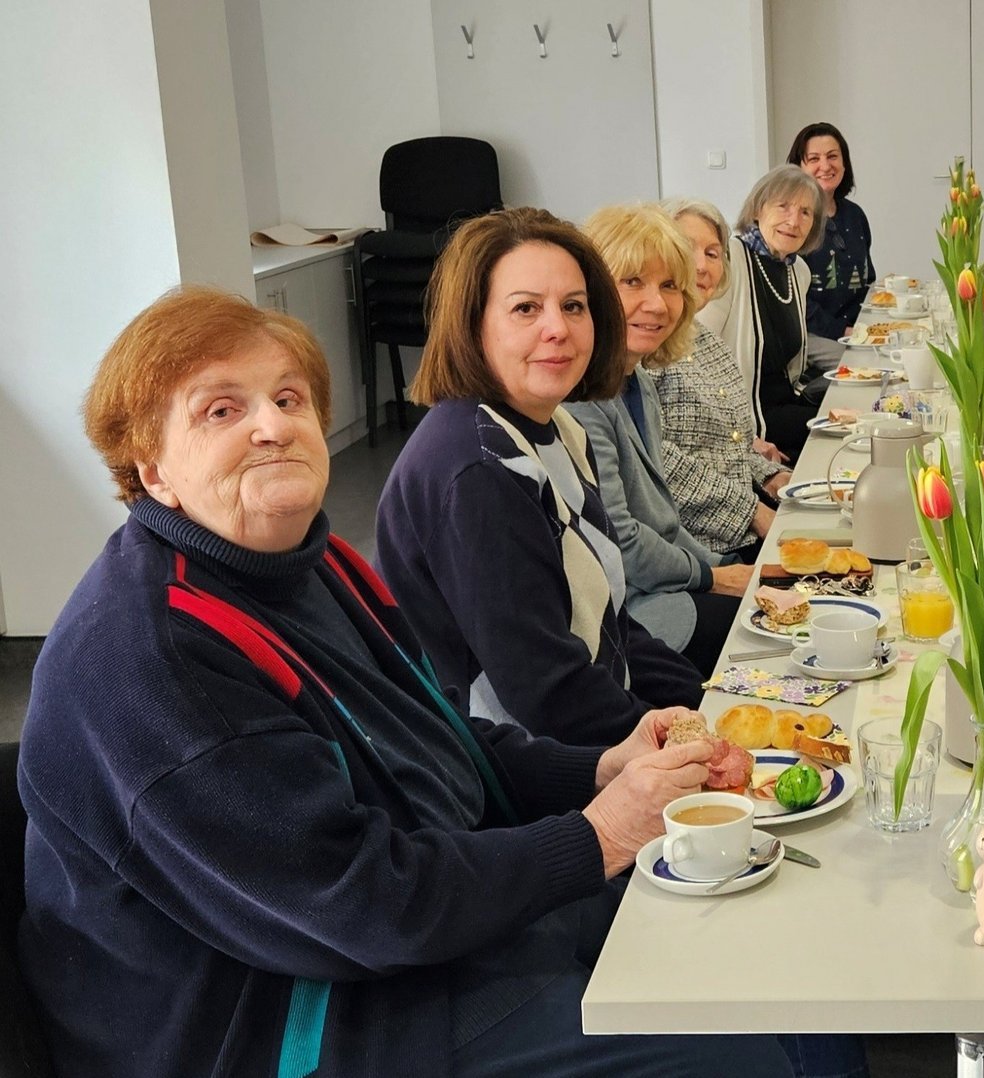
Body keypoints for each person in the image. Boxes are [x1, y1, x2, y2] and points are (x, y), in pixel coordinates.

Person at [20, 285, 796, 1077]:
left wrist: (601, 770)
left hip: (403, 921)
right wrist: (603, 835)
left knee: (729, 930)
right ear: (151, 468)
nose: (273, 426)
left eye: (288, 398)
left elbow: (439, 741)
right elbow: (357, 904)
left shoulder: (309, 563)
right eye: (222, 410)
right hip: (292, 1016)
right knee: (735, 1057)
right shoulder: (154, 657)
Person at [377, 208, 707, 747]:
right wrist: (682, 739)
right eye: (525, 308)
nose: (557, 328)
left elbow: (608, 625)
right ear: (473, 324)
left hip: (582, 729)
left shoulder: (557, 428)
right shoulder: (479, 469)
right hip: (512, 766)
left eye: (573, 306)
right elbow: (547, 694)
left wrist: (705, 700)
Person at [566, 203, 756, 674]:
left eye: (670, 285)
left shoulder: (637, 383)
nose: (656, 304)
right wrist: (712, 576)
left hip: (659, 587)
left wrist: (724, 564)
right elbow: (621, 543)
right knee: (767, 638)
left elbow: (663, 522)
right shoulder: (582, 400)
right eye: (633, 281)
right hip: (626, 617)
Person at [658, 196, 791, 558]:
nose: (702, 266)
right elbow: (659, 461)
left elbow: (729, 445)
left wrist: (773, 477)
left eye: (713, 253)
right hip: (700, 550)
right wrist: (754, 513)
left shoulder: (704, 339)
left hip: (744, 531)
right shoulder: (647, 347)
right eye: (687, 249)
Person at [697, 165, 826, 461]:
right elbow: (698, 355)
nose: (793, 221)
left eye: (805, 212)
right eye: (783, 206)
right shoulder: (730, 259)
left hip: (783, 405)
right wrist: (743, 439)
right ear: (758, 209)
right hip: (746, 421)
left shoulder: (798, 271)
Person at [787, 121, 874, 344]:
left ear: (844, 164)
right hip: (813, 336)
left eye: (832, 156)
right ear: (798, 168)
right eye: (814, 159)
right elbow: (793, 298)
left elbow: (868, 280)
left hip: (857, 329)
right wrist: (843, 331)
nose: (825, 166)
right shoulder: (792, 222)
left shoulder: (855, 215)